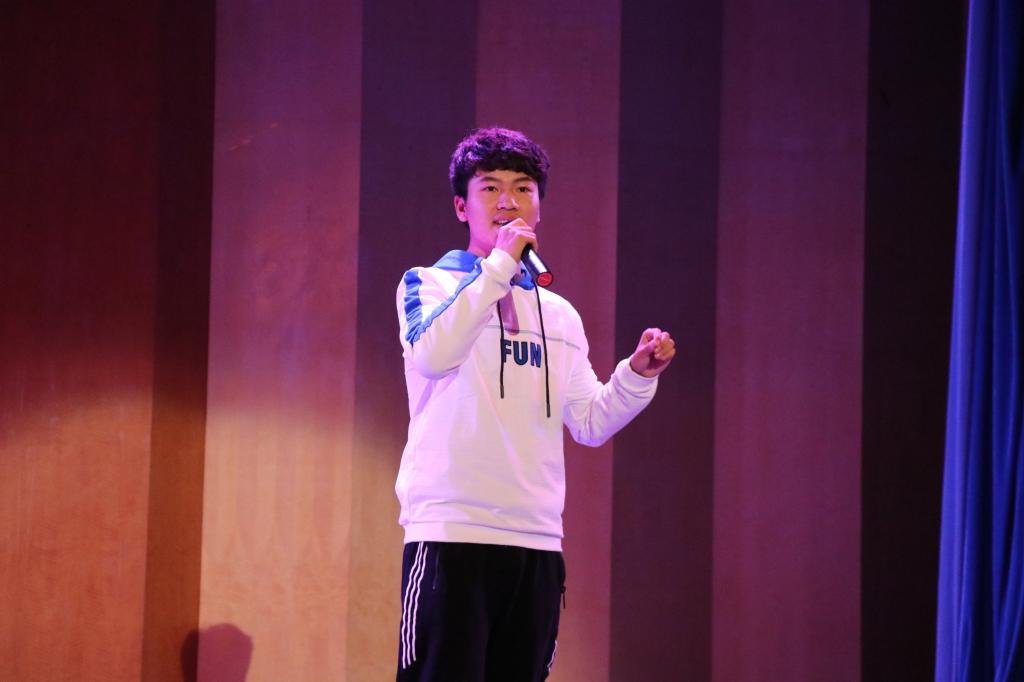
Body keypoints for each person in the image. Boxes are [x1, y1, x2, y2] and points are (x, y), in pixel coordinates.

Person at [394, 127, 675, 681]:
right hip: (452, 531)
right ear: (461, 206)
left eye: (523, 189)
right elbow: (433, 355)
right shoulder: (428, 283)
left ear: (539, 206)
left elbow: (589, 420)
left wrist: (637, 376)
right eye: (490, 188)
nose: (507, 201)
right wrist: (498, 268)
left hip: (536, 540)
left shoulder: (559, 313)